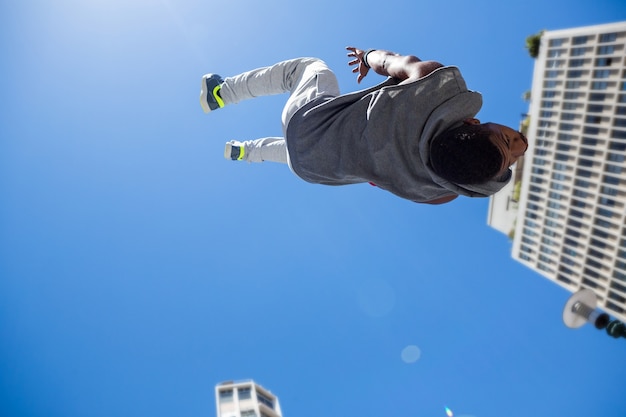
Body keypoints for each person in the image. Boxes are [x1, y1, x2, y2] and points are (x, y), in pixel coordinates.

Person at [199, 47, 528, 204]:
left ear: (472, 122)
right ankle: (244, 152)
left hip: (309, 123)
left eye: (508, 139)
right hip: (315, 170)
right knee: (291, 153)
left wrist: (366, 55)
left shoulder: (430, 83)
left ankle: (221, 92)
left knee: (309, 68)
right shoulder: (438, 193)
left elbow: (388, 61)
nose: (520, 144)